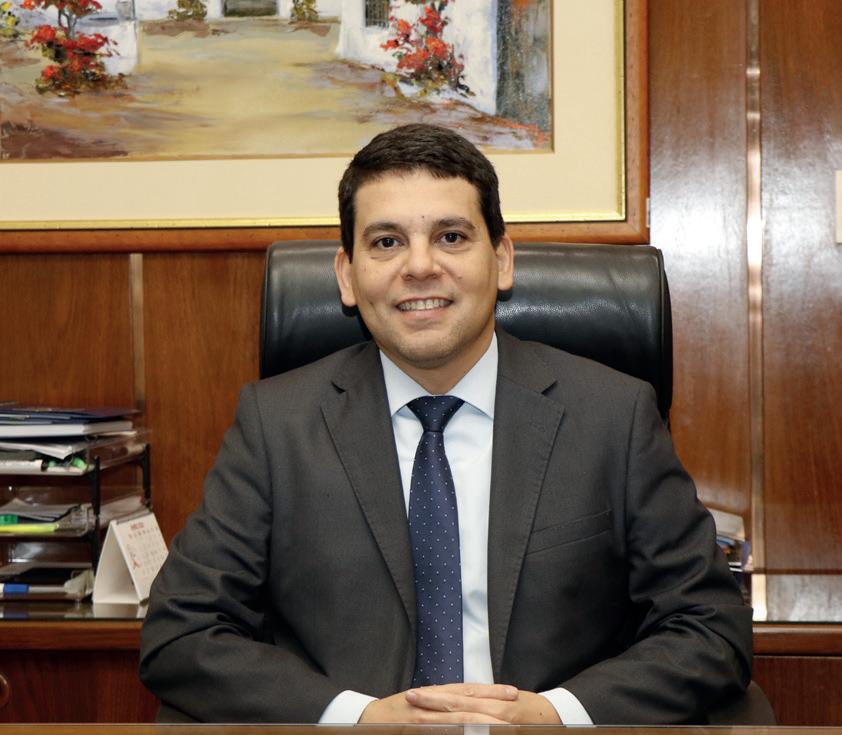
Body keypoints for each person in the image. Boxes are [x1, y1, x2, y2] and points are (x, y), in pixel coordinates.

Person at [139, 123, 752, 724]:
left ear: (502, 260)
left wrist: (555, 715)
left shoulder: (613, 416)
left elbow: (710, 626)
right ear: (347, 276)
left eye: (451, 236)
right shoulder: (276, 425)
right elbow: (182, 631)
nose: (419, 266)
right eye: (386, 242)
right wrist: (357, 719)